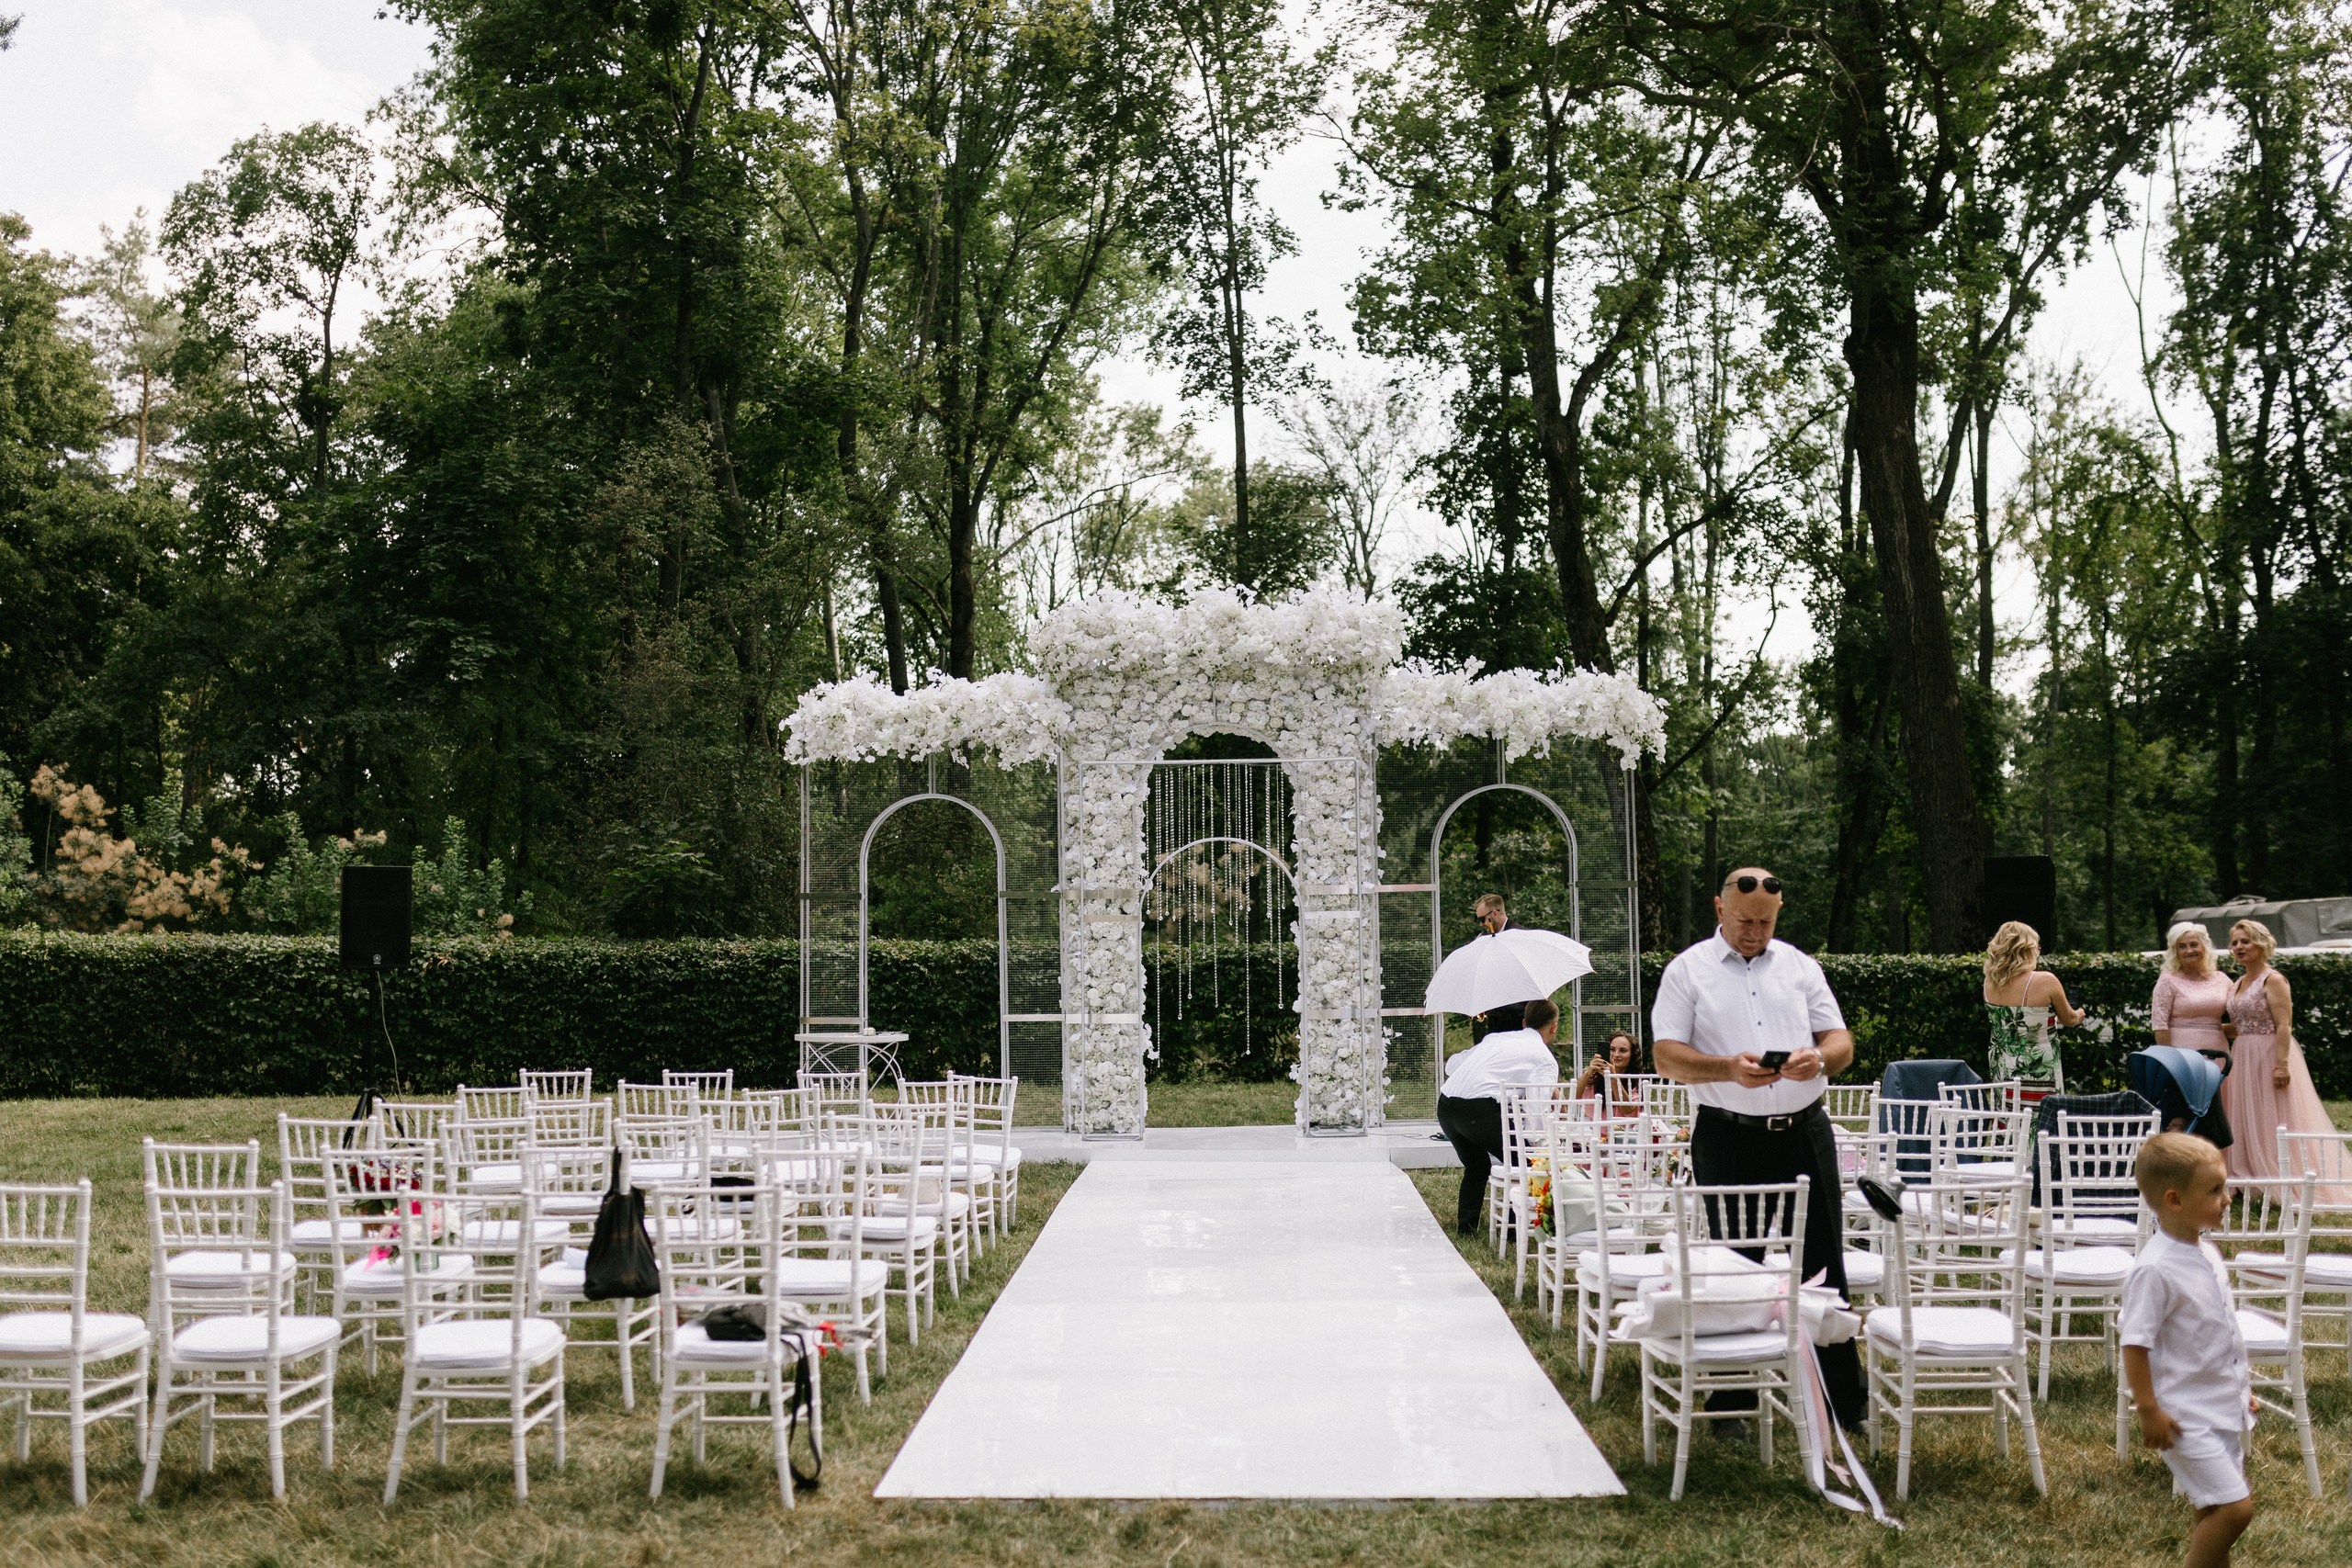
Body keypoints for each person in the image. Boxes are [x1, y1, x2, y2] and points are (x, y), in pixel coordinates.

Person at [1652, 866, 1864, 1432]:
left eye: (1766, 922)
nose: (1755, 932)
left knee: (1825, 1262)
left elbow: (1841, 1041)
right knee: (1732, 1264)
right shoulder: (1687, 970)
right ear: (1720, 911)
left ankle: (1845, 1407)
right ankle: (1730, 1405)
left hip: (1805, 1129)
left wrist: (1819, 1059)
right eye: (1745, 921)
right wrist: (1725, 1067)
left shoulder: (1800, 966)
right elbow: (1666, 1056)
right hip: (1727, 1132)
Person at [2120, 1132, 2256, 1568]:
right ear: (2174, 1200)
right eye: (2215, 1191)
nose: (2227, 1198)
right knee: (2236, 1510)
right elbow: (2135, 1343)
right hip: (2183, 1418)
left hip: (2221, 1408)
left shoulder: (2207, 1253)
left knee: (2212, 1512)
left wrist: (2240, 1388)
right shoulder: (2155, 1269)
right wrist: (2148, 1410)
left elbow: (2218, 1334)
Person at [2221, 919, 2348, 1199]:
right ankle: (2251, 1177)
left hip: (2269, 1053)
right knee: (2249, 1112)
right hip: (2241, 1054)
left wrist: (2282, 1065)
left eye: (2246, 941)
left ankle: (2282, 1176)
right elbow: (2240, 1025)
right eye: (2235, 942)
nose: (2239, 947)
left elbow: (2283, 1025)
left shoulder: (2274, 979)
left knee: (2276, 1116)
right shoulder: (2238, 982)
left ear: (2262, 944)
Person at [1437, 996, 1562, 1237]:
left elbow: (1451, 1066)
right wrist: (1535, 1145)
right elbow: (1537, 1108)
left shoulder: (1495, 1039)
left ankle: (1467, 1230)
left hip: (1446, 1107)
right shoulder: (1544, 1058)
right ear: (1554, 1026)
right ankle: (1514, 1232)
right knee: (1522, 1165)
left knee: (1476, 1166)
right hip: (1476, 1110)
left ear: (1525, 1022)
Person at [1981, 919, 2082, 1088]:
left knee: (2008, 1109)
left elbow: (2016, 1022)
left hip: (2002, 1063)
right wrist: (2078, 1014)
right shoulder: (2045, 980)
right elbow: (2069, 1019)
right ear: (2026, 949)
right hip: (2037, 1065)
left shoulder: (1989, 983)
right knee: (2042, 1111)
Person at [1573, 1030, 1641, 1117]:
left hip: (1625, 1129)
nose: (1616, 1055)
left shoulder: (1637, 1080)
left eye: (1623, 1051)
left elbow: (1627, 1109)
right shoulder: (1595, 1078)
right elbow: (1573, 1098)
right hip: (1597, 1129)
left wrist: (1613, 1077)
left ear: (1632, 1055)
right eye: (1612, 1049)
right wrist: (1588, 1073)